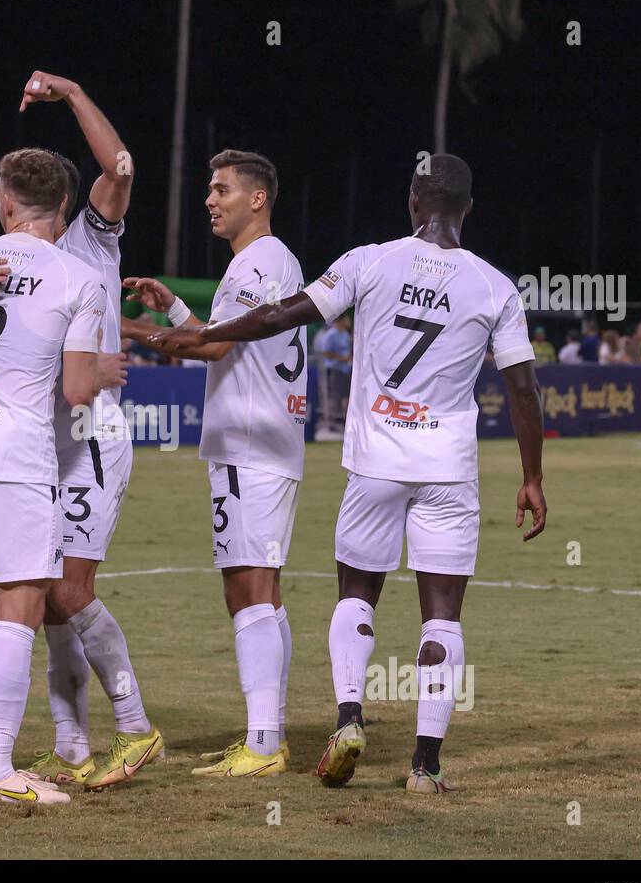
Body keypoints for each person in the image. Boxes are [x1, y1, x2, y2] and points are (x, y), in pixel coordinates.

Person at [148, 153, 547, 795]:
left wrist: (201, 337)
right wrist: (531, 475)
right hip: (449, 469)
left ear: (413, 201)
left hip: (377, 464)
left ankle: (350, 720)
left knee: (357, 597)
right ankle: (424, 765)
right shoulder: (496, 286)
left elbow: (282, 315)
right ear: (467, 209)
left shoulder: (369, 260)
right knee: (442, 617)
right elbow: (524, 390)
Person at [0, 147, 104, 805]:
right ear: (63, 206)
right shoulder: (77, 277)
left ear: (3, 202)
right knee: (22, 605)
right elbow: (80, 389)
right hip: (17, 454)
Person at [129, 149, 305, 778]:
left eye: (221, 189)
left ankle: (262, 744)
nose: (210, 199)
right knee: (264, 589)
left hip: (248, 446)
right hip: (271, 441)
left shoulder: (255, 262)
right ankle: (268, 733)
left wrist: (123, 327)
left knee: (247, 587)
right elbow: (223, 339)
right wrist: (173, 312)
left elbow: (215, 347)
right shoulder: (273, 261)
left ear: (257, 198)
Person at [13, 71, 163, 790]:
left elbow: (121, 166)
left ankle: (135, 728)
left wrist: (71, 92)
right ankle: (70, 745)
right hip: (44, 445)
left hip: (91, 441)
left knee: (69, 592)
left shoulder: (88, 243)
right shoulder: (18, 266)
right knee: (46, 596)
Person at [314, 315, 353, 428]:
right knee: (333, 396)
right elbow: (326, 353)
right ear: (341, 320)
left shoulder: (345, 334)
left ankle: (345, 421)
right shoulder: (331, 335)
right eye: (346, 319)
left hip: (345, 369)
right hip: (334, 369)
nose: (348, 320)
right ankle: (330, 422)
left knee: (346, 395)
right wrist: (341, 358)